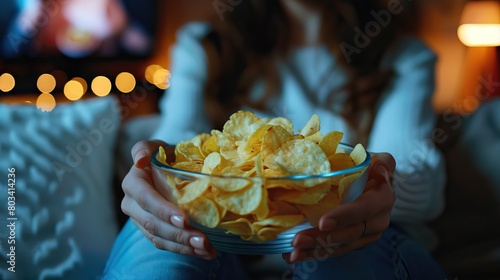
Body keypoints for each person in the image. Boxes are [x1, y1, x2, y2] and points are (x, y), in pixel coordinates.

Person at [103, 0, 448, 279]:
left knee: (336, 253)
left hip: (363, 236)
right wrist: (155, 176)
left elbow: (413, 172)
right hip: (220, 244)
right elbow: (179, 144)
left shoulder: (403, 57)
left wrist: (380, 181)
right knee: (160, 248)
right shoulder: (206, 45)